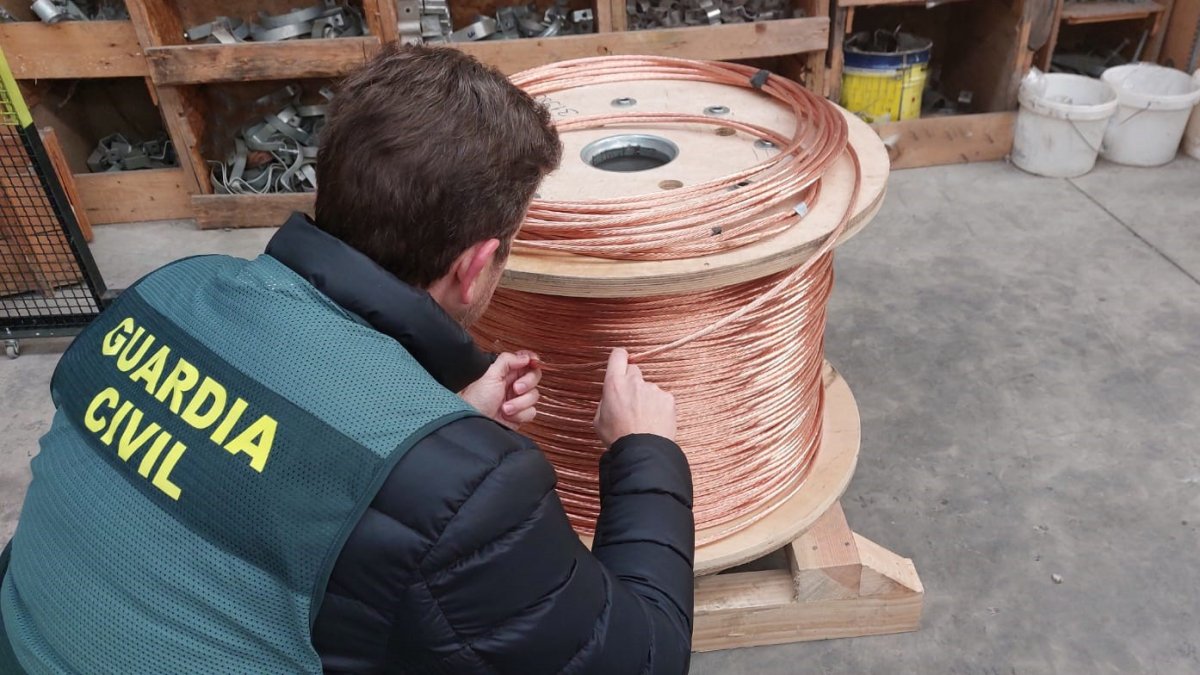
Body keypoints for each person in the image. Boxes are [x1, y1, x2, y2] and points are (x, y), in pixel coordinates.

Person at [0, 45, 695, 673]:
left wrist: (441, 424)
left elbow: (250, 464)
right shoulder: (471, 494)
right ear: (476, 264)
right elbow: (641, 657)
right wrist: (643, 452)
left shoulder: (165, 293)